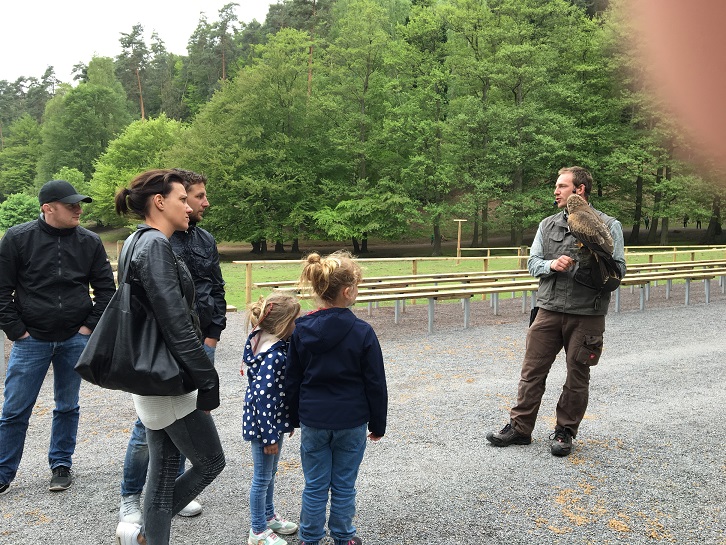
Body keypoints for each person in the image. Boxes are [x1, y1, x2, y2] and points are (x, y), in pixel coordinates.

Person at [113, 169, 225, 545]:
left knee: (162, 475)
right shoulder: (155, 246)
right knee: (211, 462)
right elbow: (175, 324)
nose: (189, 207)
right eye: (182, 199)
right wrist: (207, 380)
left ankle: (146, 537)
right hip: (169, 378)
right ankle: (143, 532)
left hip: (153, 375)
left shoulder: (135, 241)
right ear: (160, 202)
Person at [486, 166, 626, 457]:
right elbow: (532, 263)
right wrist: (551, 264)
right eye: (556, 185)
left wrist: (592, 265)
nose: (556, 190)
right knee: (531, 372)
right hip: (548, 310)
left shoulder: (608, 224)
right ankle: (520, 428)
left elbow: (619, 270)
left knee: (577, 376)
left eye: (562, 185)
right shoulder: (547, 224)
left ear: (579, 189)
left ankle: (565, 432)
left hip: (587, 313)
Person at [0, 180, 115, 495]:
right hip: (30, 340)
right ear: (47, 208)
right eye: (71, 205)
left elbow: (107, 291)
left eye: (79, 204)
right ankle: (3, 472)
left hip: (74, 339)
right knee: (15, 409)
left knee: (67, 406)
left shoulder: (89, 241)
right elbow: (1, 290)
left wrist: (87, 328)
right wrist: (17, 331)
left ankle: (61, 465)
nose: (79, 210)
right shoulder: (17, 238)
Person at [285, 251, 388, 545]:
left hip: (314, 420)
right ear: (347, 291)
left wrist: (291, 417)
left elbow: (293, 379)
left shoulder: (301, 331)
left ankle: (310, 537)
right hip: (351, 420)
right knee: (344, 485)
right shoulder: (362, 332)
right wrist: (378, 423)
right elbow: (375, 383)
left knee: (315, 485)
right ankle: (343, 536)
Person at [243, 293, 301, 545]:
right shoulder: (273, 356)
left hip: (272, 424)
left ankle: (268, 517)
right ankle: (257, 531)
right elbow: (262, 399)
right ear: (283, 324)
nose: (298, 325)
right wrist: (269, 437)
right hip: (264, 427)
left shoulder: (275, 346)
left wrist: (285, 422)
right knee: (262, 478)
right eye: (295, 320)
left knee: (270, 473)